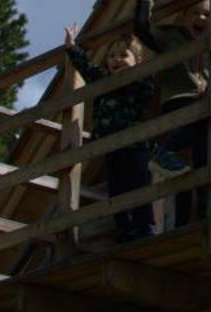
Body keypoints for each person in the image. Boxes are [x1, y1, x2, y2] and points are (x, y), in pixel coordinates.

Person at [63, 25, 156, 241]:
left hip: (134, 147)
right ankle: (125, 231)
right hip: (111, 147)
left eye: (124, 55)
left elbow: (148, 85)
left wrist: (139, 70)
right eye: (112, 56)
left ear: (137, 61)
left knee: (140, 186)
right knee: (116, 191)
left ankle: (145, 228)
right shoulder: (104, 80)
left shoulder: (139, 81)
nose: (116, 60)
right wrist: (71, 47)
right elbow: (87, 68)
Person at [133, 0, 211, 226]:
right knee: (197, 129)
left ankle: (203, 213)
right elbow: (143, 30)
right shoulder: (170, 36)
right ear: (183, 18)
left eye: (207, 15)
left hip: (203, 101)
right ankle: (163, 151)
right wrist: (146, 2)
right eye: (195, 13)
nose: (200, 18)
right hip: (177, 99)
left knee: (204, 158)